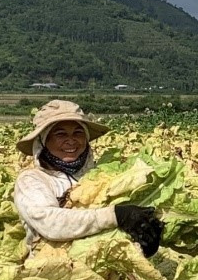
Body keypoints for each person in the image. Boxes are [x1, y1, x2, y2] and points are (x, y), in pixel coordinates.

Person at [13, 99, 163, 257]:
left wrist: (146, 242)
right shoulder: (32, 180)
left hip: (108, 265)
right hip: (52, 269)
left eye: (78, 133)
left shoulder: (101, 175)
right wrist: (115, 215)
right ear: (43, 141)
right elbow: (50, 223)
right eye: (60, 134)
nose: (71, 140)